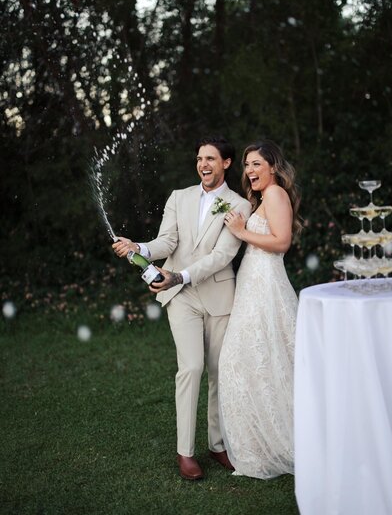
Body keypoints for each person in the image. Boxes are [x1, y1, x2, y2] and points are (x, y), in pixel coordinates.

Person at [113, 137, 252, 480]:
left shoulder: (240, 205)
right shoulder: (179, 197)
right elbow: (168, 241)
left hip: (219, 297)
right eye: (200, 158)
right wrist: (140, 245)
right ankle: (186, 453)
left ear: (227, 163)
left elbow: (223, 256)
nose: (203, 164)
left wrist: (179, 275)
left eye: (211, 159)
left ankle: (218, 445)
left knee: (219, 372)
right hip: (182, 298)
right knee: (191, 368)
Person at [218, 139, 302, 480]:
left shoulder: (276, 194)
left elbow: (281, 242)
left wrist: (242, 231)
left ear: (273, 167)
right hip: (252, 283)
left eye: (256, 164)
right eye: (247, 165)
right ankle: (258, 442)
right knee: (253, 360)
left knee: (253, 359)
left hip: (266, 285)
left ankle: (279, 441)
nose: (250, 171)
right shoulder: (262, 198)